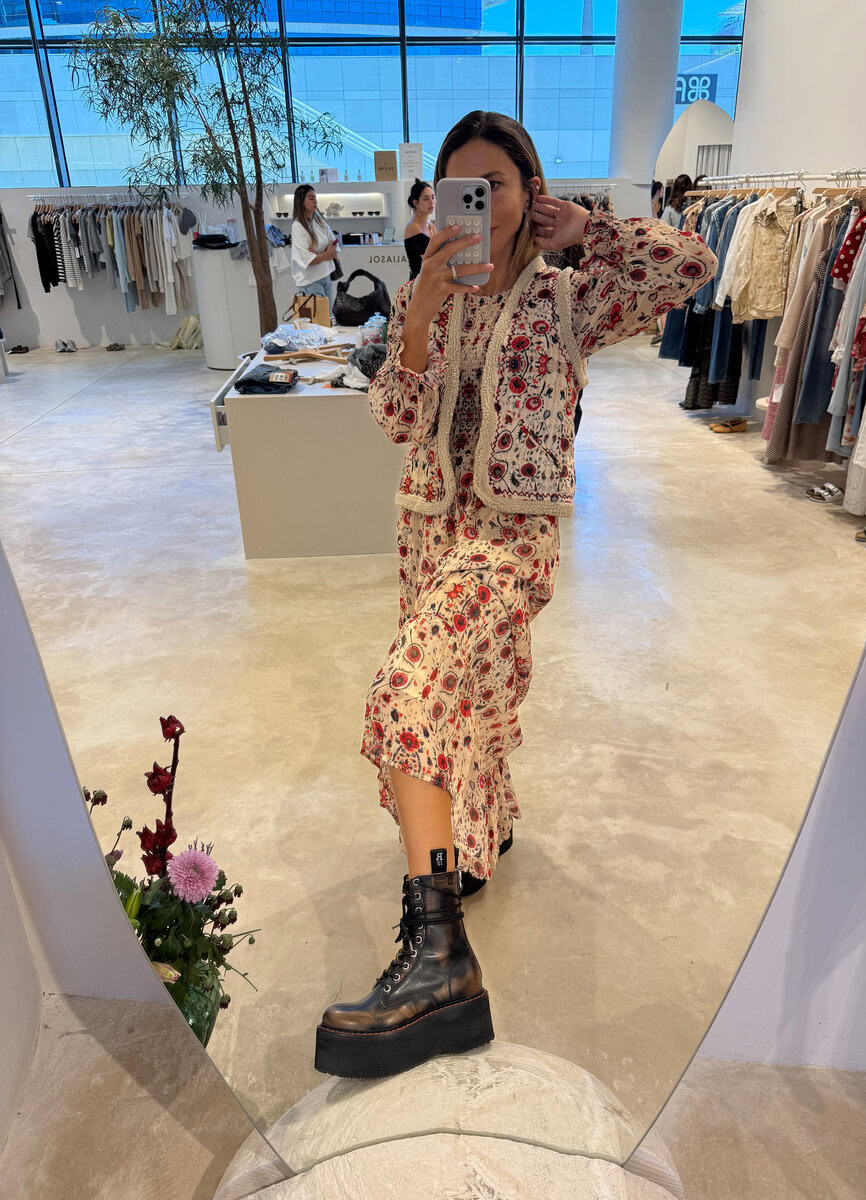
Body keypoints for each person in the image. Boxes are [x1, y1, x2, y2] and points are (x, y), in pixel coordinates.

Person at [313, 111, 716, 1081]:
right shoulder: (430, 294)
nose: (477, 205)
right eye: (458, 189)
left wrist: (589, 230)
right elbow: (397, 420)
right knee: (475, 700)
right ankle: (477, 835)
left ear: (530, 192)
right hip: (428, 532)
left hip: (508, 541)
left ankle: (439, 959)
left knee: (411, 694)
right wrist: (417, 313)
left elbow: (691, 267)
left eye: (494, 185)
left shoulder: (567, 298)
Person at [290, 184, 338, 309]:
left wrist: (318, 254)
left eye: (315, 198)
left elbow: (334, 245)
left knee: (329, 317)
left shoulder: (319, 221)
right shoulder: (298, 226)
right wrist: (325, 254)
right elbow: (309, 260)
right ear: (301, 201)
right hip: (310, 281)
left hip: (325, 275)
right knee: (317, 319)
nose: (315, 201)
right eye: (311, 198)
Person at [404, 179, 436, 281]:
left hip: (431, 279)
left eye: (432, 197)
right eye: (426, 199)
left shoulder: (431, 226)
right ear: (416, 203)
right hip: (419, 282)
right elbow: (431, 257)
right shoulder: (413, 227)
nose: (431, 202)